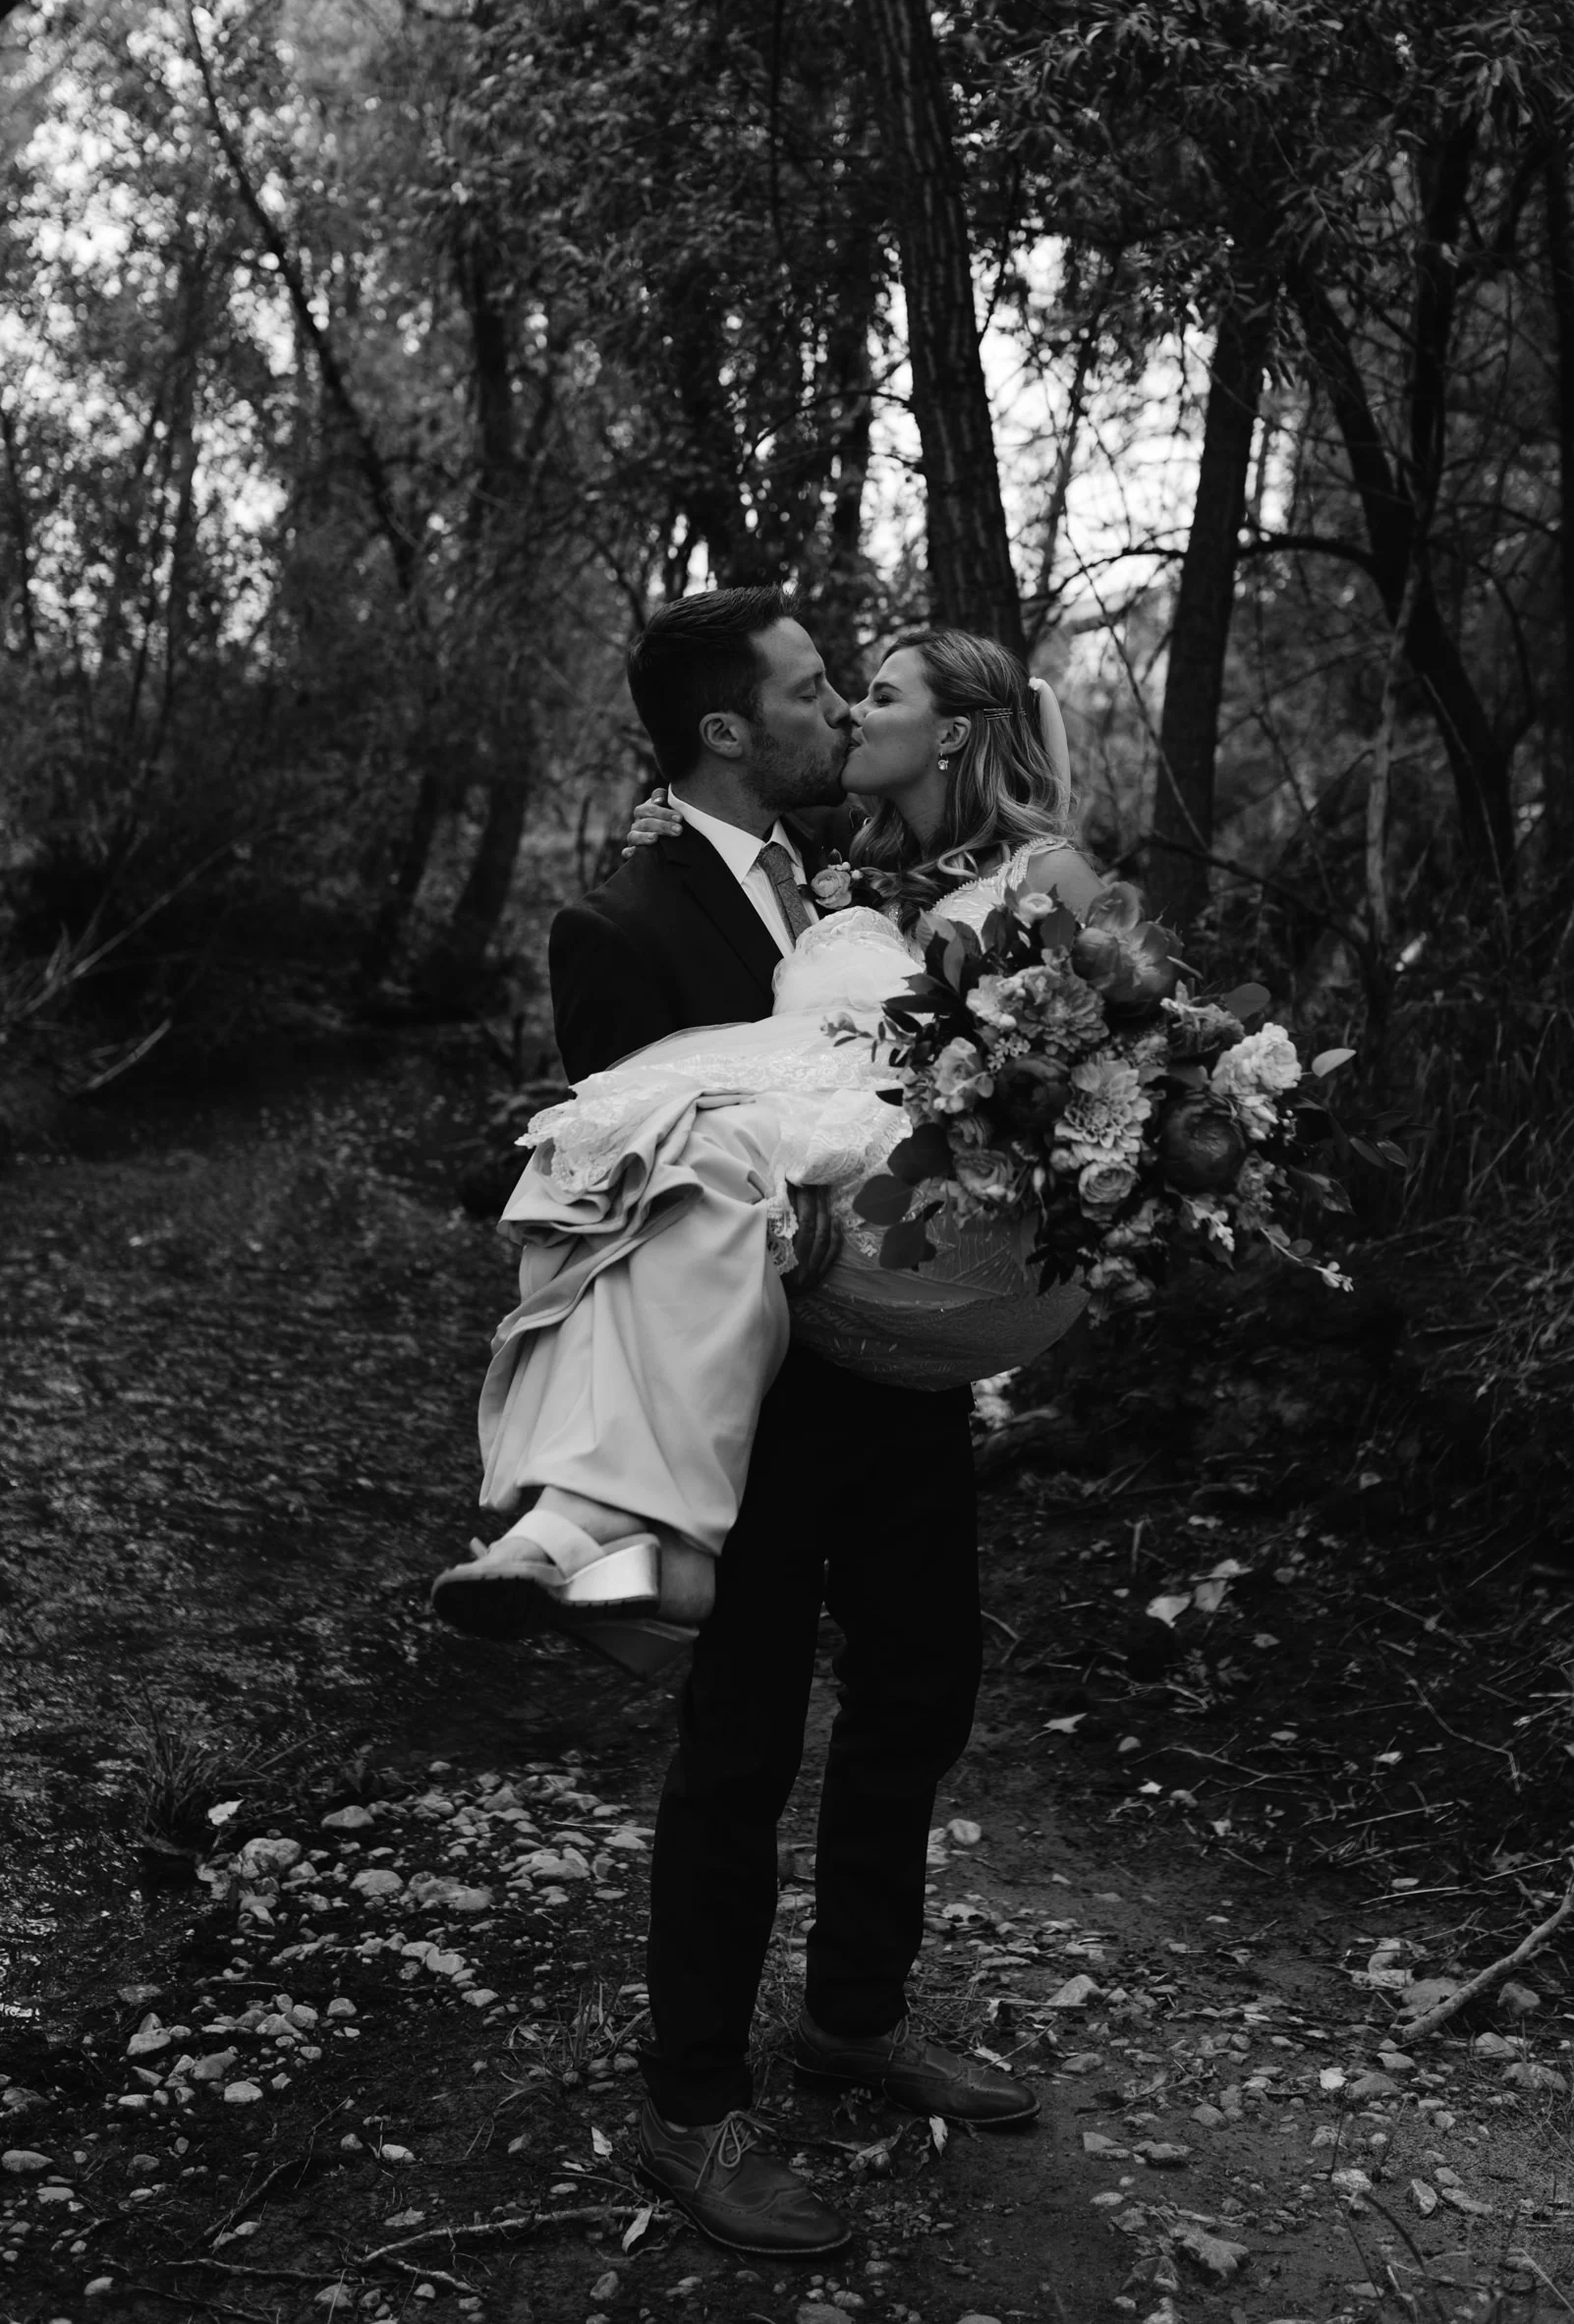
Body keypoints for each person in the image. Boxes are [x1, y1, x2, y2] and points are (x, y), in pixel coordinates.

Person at [436, 590, 1102, 2258]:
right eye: (811, 691)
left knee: (919, 1692)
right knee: (735, 1752)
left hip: (895, 1395)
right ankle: (688, 2106)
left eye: (843, 692)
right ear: (731, 728)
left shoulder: (868, 890)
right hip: (739, 1428)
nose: (832, 712)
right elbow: (618, 1178)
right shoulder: (623, 925)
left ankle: (856, 2015)